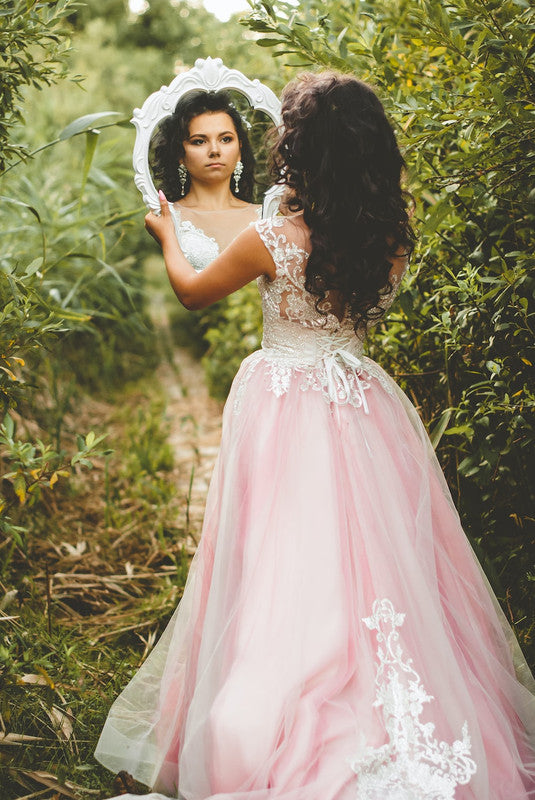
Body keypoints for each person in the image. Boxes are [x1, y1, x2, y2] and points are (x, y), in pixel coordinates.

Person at [95, 71, 535, 799]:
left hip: (282, 405)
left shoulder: (273, 237)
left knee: (280, 553)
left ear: (298, 149)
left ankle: (283, 689)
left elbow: (191, 291)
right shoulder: (391, 230)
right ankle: (393, 696)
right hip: (365, 404)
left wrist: (168, 232)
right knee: (378, 558)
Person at [150, 89, 261, 271]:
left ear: (240, 149)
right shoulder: (167, 219)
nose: (215, 150)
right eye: (199, 141)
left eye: (226, 139)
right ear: (180, 154)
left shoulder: (266, 216)